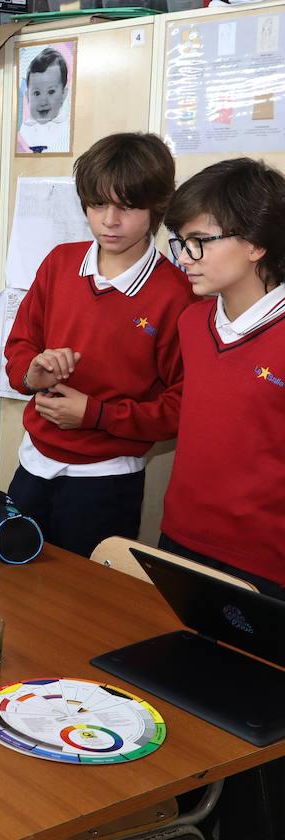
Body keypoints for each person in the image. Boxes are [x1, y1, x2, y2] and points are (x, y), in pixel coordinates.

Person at [4, 133, 195, 558]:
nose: (109, 220)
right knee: (13, 587)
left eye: (126, 207)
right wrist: (31, 372)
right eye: (96, 205)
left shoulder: (176, 294)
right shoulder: (59, 262)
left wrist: (97, 414)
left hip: (106, 480)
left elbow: (182, 407)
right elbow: (19, 345)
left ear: (156, 208)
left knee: (82, 611)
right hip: (33, 463)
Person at [161, 158, 285, 597]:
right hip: (181, 538)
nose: (184, 259)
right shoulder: (192, 323)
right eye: (180, 243)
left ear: (255, 243)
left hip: (265, 564)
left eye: (199, 242)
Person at [19, 47, 70, 154]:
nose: (43, 101)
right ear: (28, 95)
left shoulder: (66, 130)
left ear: (64, 94)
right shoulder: (24, 131)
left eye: (51, 92)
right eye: (36, 93)